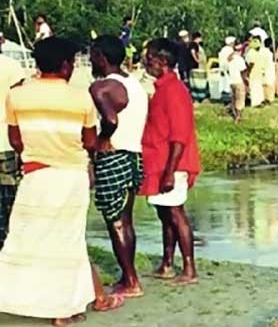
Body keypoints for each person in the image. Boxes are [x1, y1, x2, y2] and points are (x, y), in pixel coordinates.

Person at [0, 37, 125, 326]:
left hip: (34, 175)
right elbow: (90, 142)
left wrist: (37, 149)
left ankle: (89, 297)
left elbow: (16, 140)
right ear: (66, 65)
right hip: (70, 177)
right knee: (68, 240)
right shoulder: (80, 98)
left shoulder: (16, 96)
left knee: (25, 237)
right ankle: (62, 310)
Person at [88, 35, 148, 298]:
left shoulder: (102, 87)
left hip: (114, 155)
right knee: (125, 219)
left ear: (101, 57)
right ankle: (128, 276)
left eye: (92, 55)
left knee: (116, 221)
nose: (91, 61)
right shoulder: (134, 84)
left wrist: (102, 139)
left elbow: (110, 120)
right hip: (134, 155)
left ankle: (131, 280)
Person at [140, 38, 201, 286]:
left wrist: (170, 172)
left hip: (172, 163)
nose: (146, 63)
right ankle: (167, 264)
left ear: (163, 61)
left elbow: (179, 136)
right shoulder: (163, 89)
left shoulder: (174, 91)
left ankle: (189, 268)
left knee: (176, 213)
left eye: (150, 58)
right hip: (160, 161)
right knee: (165, 214)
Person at [0, 41, 25, 250]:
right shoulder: (11, 66)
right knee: (8, 195)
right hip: (5, 139)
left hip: (6, 138)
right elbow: (19, 102)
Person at [228, 43, 248, 122]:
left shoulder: (230, 59)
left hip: (232, 81)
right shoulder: (240, 60)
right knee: (240, 99)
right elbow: (243, 71)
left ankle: (234, 113)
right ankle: (238, 116)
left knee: (233, 99)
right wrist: (246, 80)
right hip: (239, 81)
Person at [245, 36, 266, 107]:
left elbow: (251, 63)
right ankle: (259, 101)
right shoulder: (258, 52)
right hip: (258, 72)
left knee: (254, 87)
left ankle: (256, 102)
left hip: (253, 72)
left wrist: (248, 71)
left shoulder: (251, 53)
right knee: (258, 87)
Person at [263, 39, 276, 105]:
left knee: (265, 85)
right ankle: (269, 99)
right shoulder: (269, 53)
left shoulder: (262, 52)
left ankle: (265, 98)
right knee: (269, 85)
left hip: (265, 69)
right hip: (269, 70)